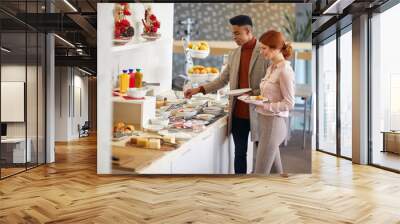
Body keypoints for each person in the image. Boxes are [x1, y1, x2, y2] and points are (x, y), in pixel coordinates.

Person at [184, 15, 269, 174]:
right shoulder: (234, 54)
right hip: (238, 113)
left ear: (248, 31)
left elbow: (270, 83)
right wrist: (198, 89)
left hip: (260, 112)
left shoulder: (264, 51)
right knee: (240, 154)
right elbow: (222, 80)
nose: (233, 37)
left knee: (264, 156)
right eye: (233, 33)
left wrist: (253, 93)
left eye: (237, 33)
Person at [239, 30, 295, 175]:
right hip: (266, 125)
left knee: (259, 174)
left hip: (274, 125)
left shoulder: (285, 71)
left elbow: (289, 103)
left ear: (275, 48)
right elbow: (268, 93)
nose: (261, 52)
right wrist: (251, 96)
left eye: (264, 48)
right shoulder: (271, 68)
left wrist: (265, 105)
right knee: (277, 173)